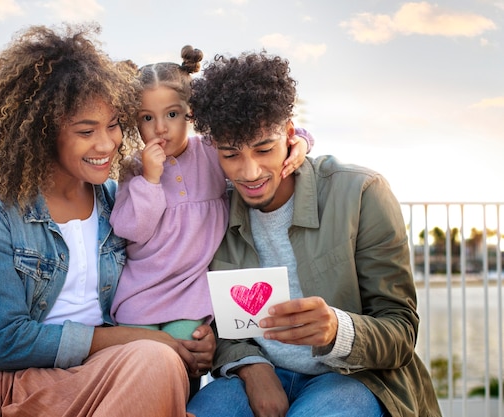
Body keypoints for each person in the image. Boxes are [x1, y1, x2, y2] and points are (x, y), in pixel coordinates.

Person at [0, 24, 215, 417]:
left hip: (109, 372)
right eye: (86, 130)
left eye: (113, 125)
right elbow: (5, 343)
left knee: (160, 365)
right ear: (45, 134)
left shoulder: (114, 201)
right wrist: (125, 338)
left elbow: (167, 268)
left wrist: (200, 337)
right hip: (19, 385)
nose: (107, 144)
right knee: (156, 362)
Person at [185, 51, 442, 417]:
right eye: (230, 154)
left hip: (355, 378)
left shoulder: (360, 193)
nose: (250, 171)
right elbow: (225, 327)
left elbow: (400, 330)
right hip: (254, 377)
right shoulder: (214, 211)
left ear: (290, 134)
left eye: (264, 149)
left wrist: (339, 330)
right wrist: (252, 368)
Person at [110, 45, 314, 341]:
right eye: (147, 118)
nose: (161, 128)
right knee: (140, 361)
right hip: (140, 293)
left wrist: (302, 143)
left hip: (191, 295)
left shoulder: (211, 152)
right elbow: (133, 230)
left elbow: (266, 135)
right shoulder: (134, 168)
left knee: (185, 360)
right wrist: (151, 180)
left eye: (172, 114)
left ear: (190, 114)